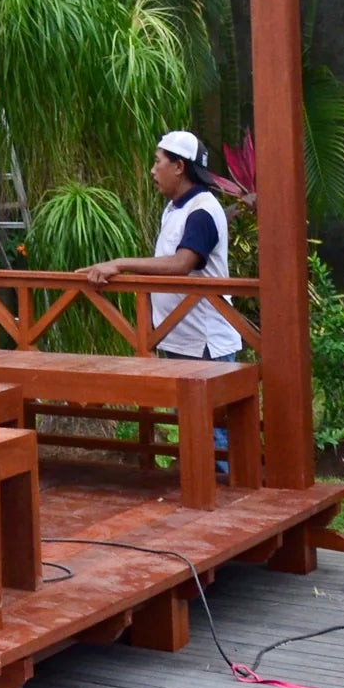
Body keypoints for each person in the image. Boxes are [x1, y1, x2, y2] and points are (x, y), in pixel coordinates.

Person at [81, 130, 239, 467]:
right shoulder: (174, 208)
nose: (153, 170)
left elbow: (183, 263)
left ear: (179, 166)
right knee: (191, 428)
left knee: (213, 437)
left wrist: (120, 263)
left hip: (205, 344)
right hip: (179, 338)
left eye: (158, 162)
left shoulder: (202, 210)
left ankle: (229, 504)